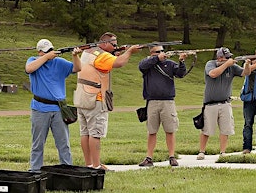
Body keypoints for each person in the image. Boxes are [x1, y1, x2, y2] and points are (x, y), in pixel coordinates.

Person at [74, 32, 140, 170]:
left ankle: (89, 164)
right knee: (95, 133)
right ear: (104, 43)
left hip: (82, 98)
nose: (116, 47)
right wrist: (129, 52)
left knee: (85, 133)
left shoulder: (88, 52)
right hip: (96, 99)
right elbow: (119, 63)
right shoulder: (102, 56)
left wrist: (117, 53)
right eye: (114, 44)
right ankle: (97, 166)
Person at [25, 39, 82, 172]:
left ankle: (67, 170)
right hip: (39, 108)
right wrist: (46, 57)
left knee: (64, 144)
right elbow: (29, 69)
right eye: (45, 52)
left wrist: (75, 56)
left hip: (58, 109)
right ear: (39, 52)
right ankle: (35, 170)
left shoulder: (59, 62)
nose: (50, 53)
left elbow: (77, 68)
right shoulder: (33, 60)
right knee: (38, 144)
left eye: (50, 50)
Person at [137, 45, 188, 167]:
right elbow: (141, 66)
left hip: (168, 101)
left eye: (162, 51)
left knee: (170, 130)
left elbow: (181, 73)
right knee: (152, 131)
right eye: (157, 52)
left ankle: (172, 156)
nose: (161, 53)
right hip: (152, 101)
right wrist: (157, 59)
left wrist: (181, 61)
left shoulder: (169, 64)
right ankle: (149, 158)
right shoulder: (147, 63)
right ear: (152, 53)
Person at [196, 47, 250, 160]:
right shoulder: (210, 64)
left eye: (230, 57)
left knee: (225, 129)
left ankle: (223, 152)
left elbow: (245, 73)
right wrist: (226, 64)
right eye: (227, 57)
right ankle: (201, 152)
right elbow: (213, 74)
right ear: (220, 58)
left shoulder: (232, 67)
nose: (229, 59)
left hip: (225, 103)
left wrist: (247, 64)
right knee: (206, 129)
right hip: (210, 103)